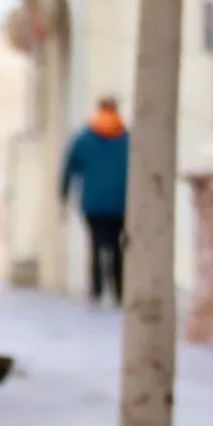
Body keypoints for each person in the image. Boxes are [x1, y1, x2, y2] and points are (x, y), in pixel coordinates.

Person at [62, 98, 131, 304]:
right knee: (118, 246)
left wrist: (63, 195)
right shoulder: (127, 139)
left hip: (93, 203)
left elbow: (69, 169)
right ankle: (119, 291)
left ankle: (97, 290)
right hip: (121, 202)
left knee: (95, 244)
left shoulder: (84, 139)